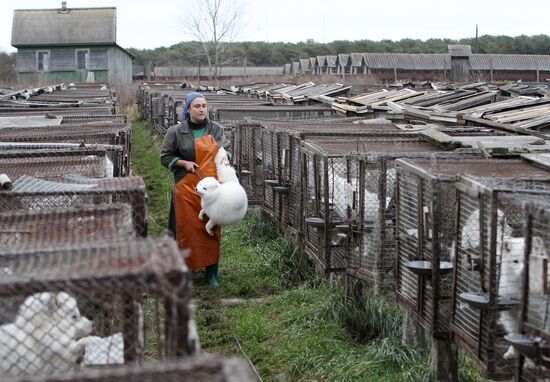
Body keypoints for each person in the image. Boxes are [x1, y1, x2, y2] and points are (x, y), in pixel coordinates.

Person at [160, 92, 229, 288]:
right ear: (188, 109)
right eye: (197, 106)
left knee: (211, 228)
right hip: (186, 188)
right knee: (187, 229)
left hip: (212, 189)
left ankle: (211, 273)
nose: (201, 109)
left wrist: (224, 159)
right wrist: (183, 163)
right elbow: (165, 157)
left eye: (204, 106)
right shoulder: (176, 131)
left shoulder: (216, 129)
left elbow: (226, 151)